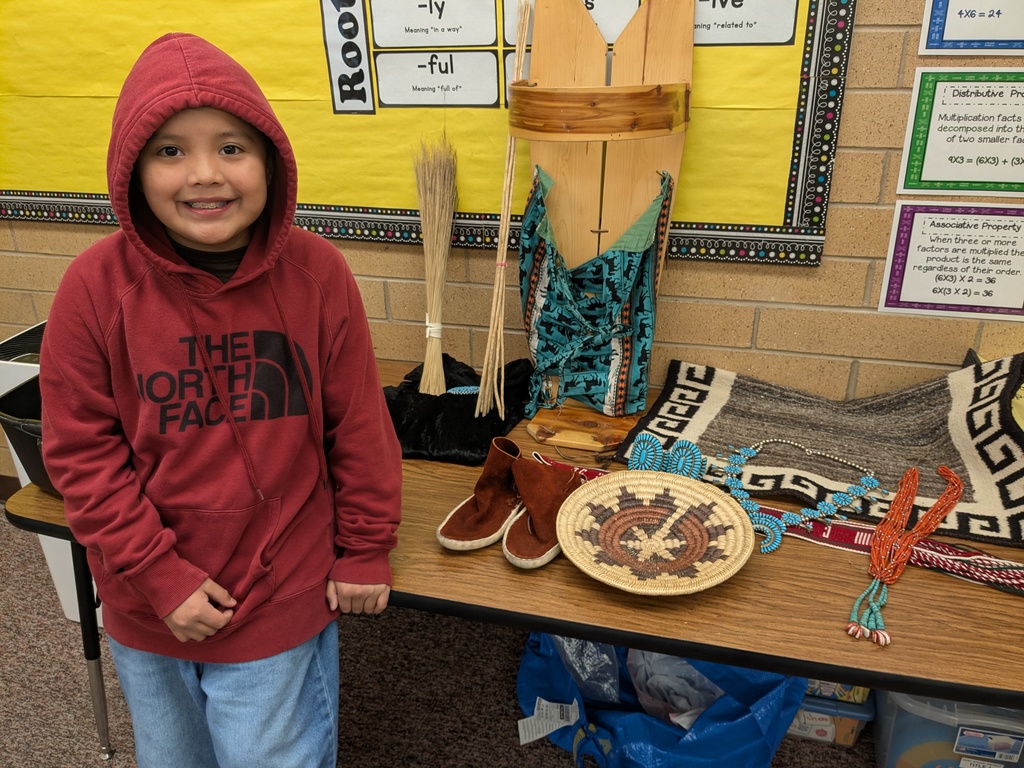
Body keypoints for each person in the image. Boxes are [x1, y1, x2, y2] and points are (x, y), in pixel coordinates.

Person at [39, 32, 402, 768]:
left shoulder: (318, 273)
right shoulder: (93, 288)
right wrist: (159, 576)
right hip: (147, 597)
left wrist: (366, 545)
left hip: (278, 589)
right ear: (131, 170)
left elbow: (358, 423)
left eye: (232, 147)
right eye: (170, 151)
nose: (205, 174)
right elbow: (82, 455)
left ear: (271, 158)